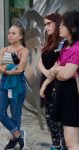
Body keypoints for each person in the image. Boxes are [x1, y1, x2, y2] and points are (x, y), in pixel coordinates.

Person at [40, 11, 79, 150]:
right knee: (69, 140)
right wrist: (45, 84)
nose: (60, 28)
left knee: (71, 142)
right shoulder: (66, 48)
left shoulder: (76, 48)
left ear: (73, 28)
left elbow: (65, 74)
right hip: (64, 95)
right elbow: (55, 70)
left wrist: (57, 71)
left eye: (63, 25)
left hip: (72, 98)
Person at [0, 23, 28, 150]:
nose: (10, 35)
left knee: (16, 114)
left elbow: (20, 69)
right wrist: (8, 71)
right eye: (9, 33)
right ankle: (19, 134)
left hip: (18, 84)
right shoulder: (3, 50)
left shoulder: (23, 51)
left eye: (14, 33)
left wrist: (5, 68)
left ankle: (14, 140)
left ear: (20, 36)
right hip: (4, 83)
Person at [38, 13, 67, 150]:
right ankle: (56, 145)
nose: (46, 27)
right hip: (47, 82)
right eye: (45, 24)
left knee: (60, 121)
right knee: (50, 119)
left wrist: (47, 81)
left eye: (49, 23)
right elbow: (39, 62)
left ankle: (64, 145)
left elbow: (59, 64)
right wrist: (45, 73)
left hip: (58, 85)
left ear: (58, 23)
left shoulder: (65, 42)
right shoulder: (48, 41)